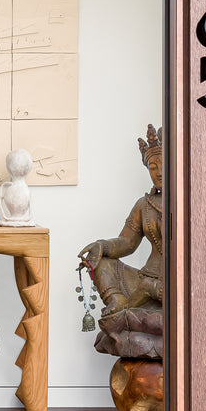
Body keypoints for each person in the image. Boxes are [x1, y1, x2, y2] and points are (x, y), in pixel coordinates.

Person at [78, 125, 164, 312]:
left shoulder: (188, 203)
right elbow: (127, 242)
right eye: (153, 167)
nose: (158, 173)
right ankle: (118, 301)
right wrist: (102, 246)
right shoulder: (144, 204)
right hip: (147, 276)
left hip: (177, 283)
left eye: (164, 166)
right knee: (102, 262)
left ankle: (146, 293)